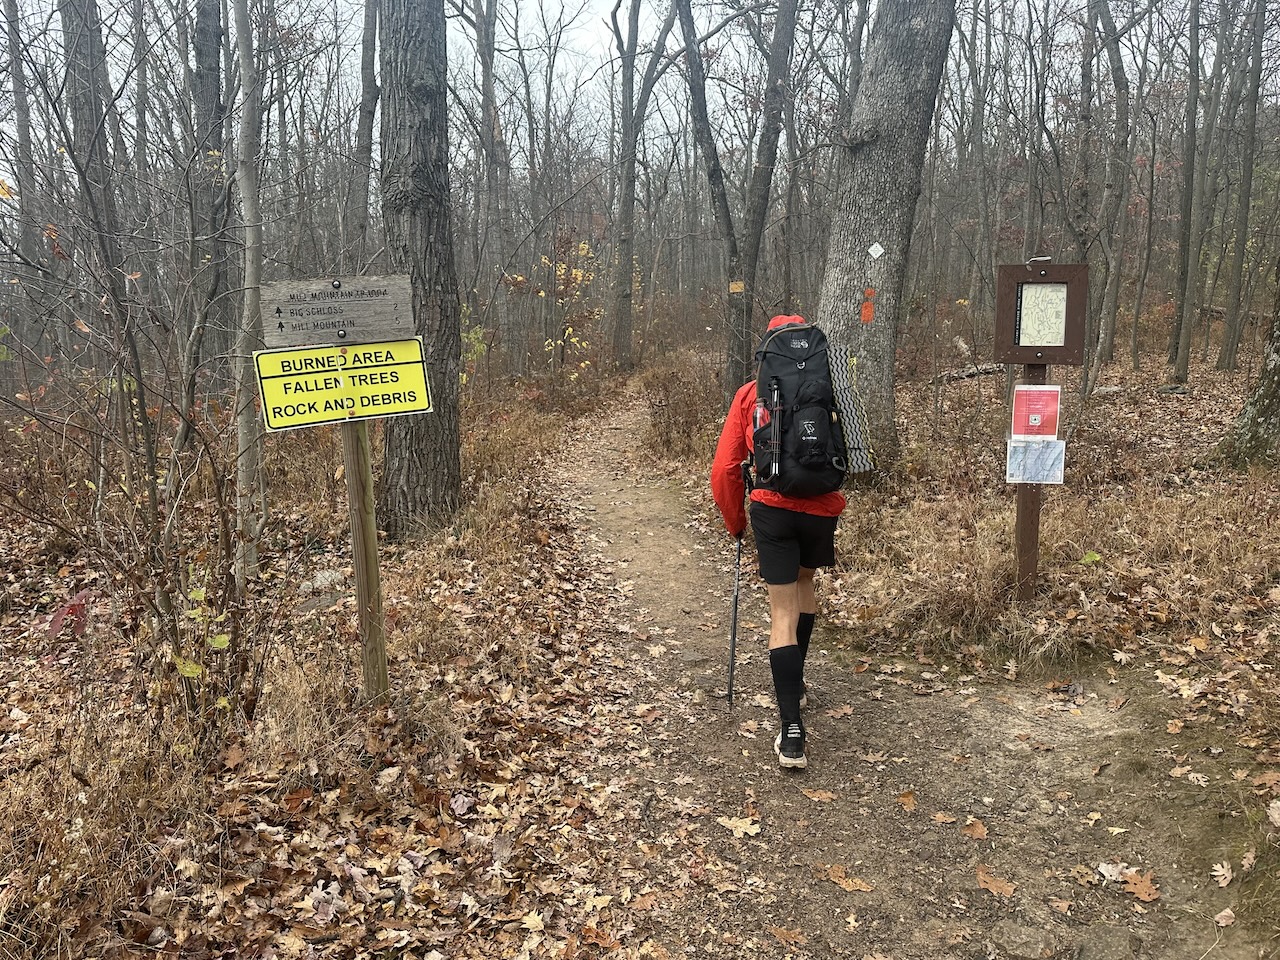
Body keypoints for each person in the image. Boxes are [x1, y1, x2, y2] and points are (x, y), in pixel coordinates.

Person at [711, 314, 847, 770]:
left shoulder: (750, 394)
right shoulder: (831, 388)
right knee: (804, 586)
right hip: (821, 506)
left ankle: (791, 731)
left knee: (781, 612)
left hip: (772, 508)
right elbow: (854, 451)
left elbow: (726, 469)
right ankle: (799, 684)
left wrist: (735, 522)